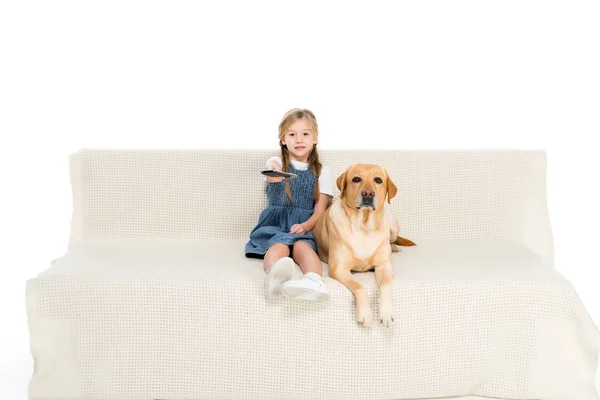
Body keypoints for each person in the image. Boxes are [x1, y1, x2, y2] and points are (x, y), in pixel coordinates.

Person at [245, 108, 333, 301]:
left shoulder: (322, 171)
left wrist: (306, 226)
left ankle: (314, 280)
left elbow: (321, 208)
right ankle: (274, 278)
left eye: (305, 134)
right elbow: (271, 167)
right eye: (292, 134)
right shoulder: (278, 162)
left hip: (305, 225)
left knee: (304, 248)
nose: (299, 140)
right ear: (283, 139)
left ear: (315, 138)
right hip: (276, 224)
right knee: (280, 247)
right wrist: (273, 173)